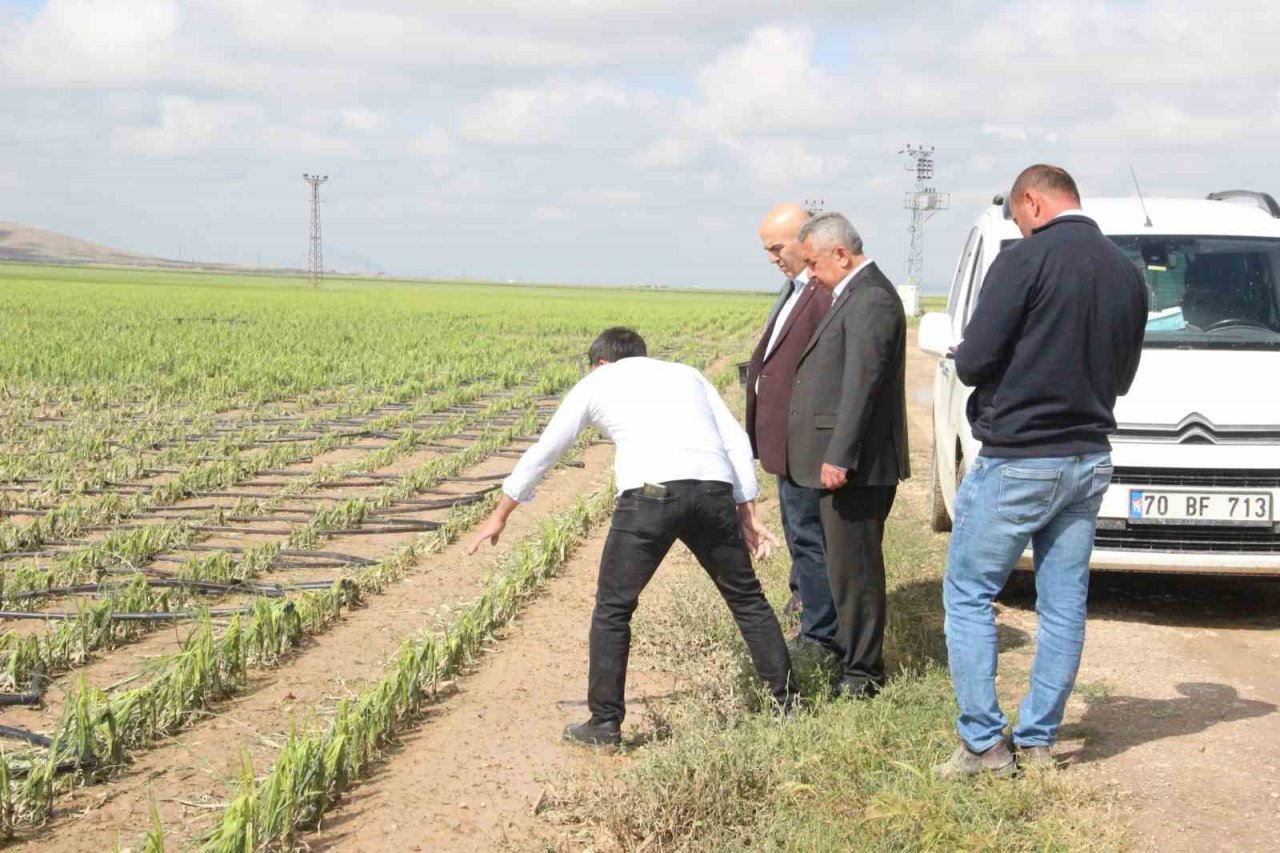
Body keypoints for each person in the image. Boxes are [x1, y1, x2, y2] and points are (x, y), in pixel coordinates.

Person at [467, 327, 796, 748]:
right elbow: (733, 440)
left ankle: (605, 724)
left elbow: (547, 449)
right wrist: (746, 507)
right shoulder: (688, 374)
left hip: (650, 498)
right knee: (748, 600)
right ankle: (788, 705)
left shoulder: (598, 381)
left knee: (613, 609)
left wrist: (500, 515)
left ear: (601, 363)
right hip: (712, 491)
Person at [937, 165, 1147, 778]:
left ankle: (982, 745)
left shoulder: (1023, 261)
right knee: (1063, 605)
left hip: (1022, 457)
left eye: (1018, 216)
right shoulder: (1126, 272)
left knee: (970, 594)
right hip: (1089, 458)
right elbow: (1124, 378)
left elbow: (974, 362)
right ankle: (1037, 742)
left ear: (1031, 201)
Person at [788, 212, 910, 699]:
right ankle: (849, 657)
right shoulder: (854, 295)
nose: (810, 275)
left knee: (856, 571)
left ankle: (863, 674)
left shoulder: (872, 299)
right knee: (843, 567)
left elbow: (863, 384)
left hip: (857, 468)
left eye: (814, 264)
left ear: (842, 254)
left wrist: (839, 456)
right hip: (845, 463)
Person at [745, 203, 837, 653]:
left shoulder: (823, 295)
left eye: (777, 247)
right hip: (787, 444)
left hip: (809, 445)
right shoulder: (794, 289)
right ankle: (806, 602)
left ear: (805, 241)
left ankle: (821, 633)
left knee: (811, 535)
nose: (772, 257)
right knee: (801, 532)